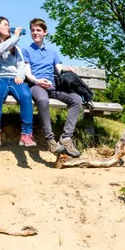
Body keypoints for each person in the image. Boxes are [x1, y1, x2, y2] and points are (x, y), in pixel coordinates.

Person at [22, 18, 82, 157]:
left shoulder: (53, 53)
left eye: (38, 30)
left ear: (45, 32)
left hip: (53, 86)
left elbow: (59, 70)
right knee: (43, 101)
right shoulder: (26, 51)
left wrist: (67, 71)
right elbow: (27, 73)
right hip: (36, 85)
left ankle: (66, 138)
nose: (35, 33)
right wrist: (37, 81)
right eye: (33, 30)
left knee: (76, 99)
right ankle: (50, 140)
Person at [0, 16, 35, 150]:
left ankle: (27, 134)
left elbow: (21, 65)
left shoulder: (15, 48)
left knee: (26, 95)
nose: (8, 27)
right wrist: (15, 37)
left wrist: (20, 75)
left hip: (14, 79)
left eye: (8, 25)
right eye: (5, 25)